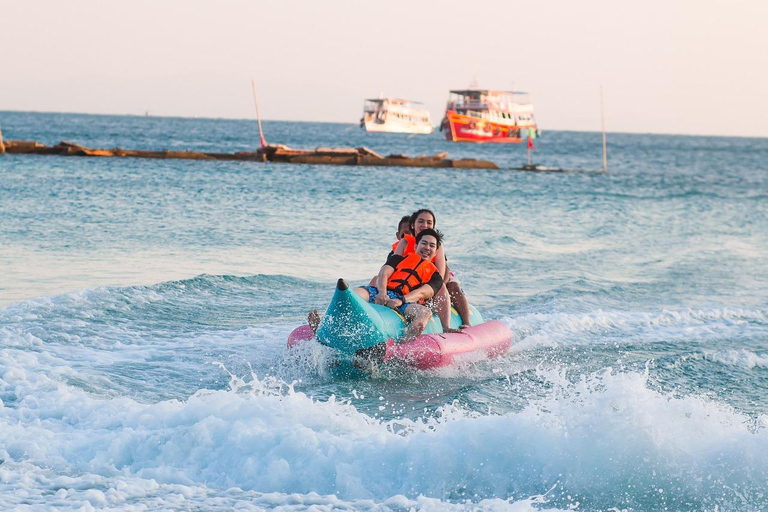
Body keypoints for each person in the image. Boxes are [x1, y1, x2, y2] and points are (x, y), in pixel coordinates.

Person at [355, 228, 444, 343]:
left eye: (432, 245)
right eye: (424, 243)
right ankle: (325, 321)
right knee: (354, 293)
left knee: (425, 313)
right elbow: (383, 273)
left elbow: (423, 292)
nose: (427, 247)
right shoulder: (398, 258)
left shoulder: (435, 277)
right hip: (382, 293)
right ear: (416, 246)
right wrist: (382, 292)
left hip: (407, 302)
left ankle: (402, 347)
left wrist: (401, 300)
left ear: (436, 252)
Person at [393, 209, 472, 331]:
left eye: (429, 223)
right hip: (413, 278)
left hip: (437, 277)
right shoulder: (405, 242)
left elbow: (441, 275)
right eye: (421, 221)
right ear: (413, 225)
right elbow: (393, 266)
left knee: (451, 286)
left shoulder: (436, 244)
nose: (425, 225)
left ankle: (464, 323)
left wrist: (428, 290)